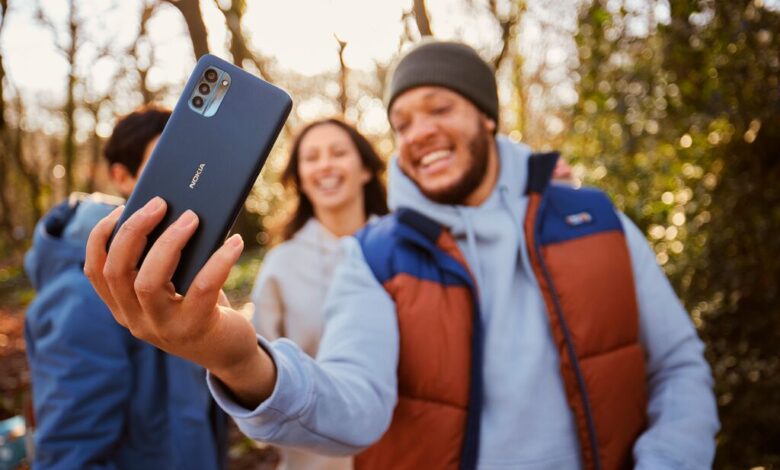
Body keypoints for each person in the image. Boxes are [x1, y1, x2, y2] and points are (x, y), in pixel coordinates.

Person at [84, 41, 720, 470]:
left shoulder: (595, 221)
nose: (420, 132)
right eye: (403, 121)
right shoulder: (376, 255)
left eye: (440, 108)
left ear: (488, 118)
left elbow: (679, 366)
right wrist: (237, 358)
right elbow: (356, 406)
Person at [24, 105, 227, 469]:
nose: (192, 172)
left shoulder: (176, 268)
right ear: (122, 176)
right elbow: (71, 455)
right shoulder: (81, 296)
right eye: (170, 159)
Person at [250, 118, 387, 469]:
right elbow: (258, 384)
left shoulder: (403, 252)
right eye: (311, 158)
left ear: (365, 169)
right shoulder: (281, 265)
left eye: (338, 153)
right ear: (299, 178)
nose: (325, 165)